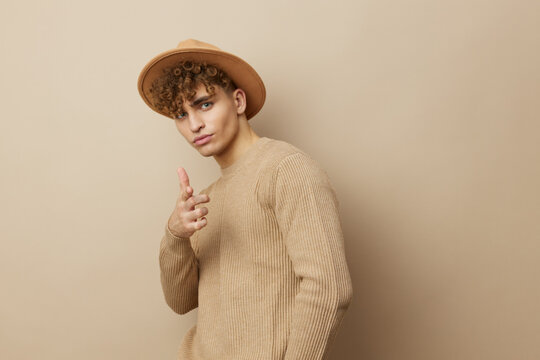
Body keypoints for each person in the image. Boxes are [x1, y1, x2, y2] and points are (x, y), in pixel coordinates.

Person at [137, 38, 353, 360]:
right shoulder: (207, 198)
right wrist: (175, 235)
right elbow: (180, 301)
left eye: (204, 104)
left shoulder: (286, 169)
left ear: (238, 101)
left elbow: (330, 287)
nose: (194, 124)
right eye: (181, 115)